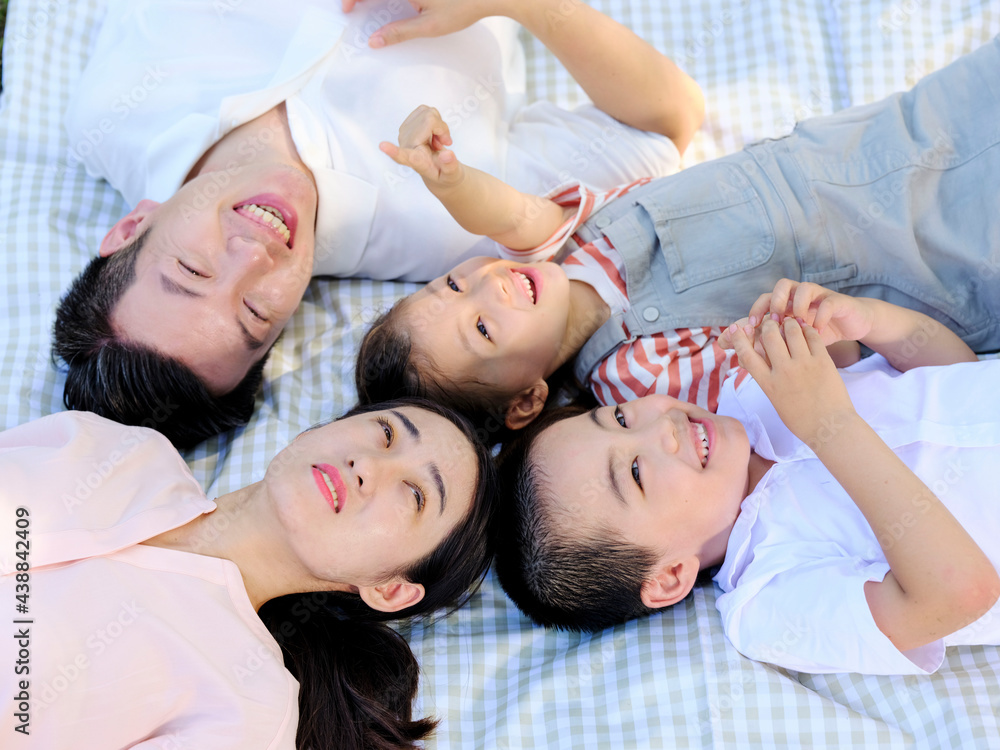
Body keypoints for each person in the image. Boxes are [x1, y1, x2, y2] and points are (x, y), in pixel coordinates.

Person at [53, 0, 704, 448]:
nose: (252, 256)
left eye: (191, 269)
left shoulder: (111, 114)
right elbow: (661, 127)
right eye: (254, 313)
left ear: (130, 227)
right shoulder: (445, 224)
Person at [356, 34, 1000, 436]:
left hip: (891, 138)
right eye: (483, 329)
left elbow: (512, 217)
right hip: (924, 258)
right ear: (527, 400)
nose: (487, 288)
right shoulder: (633, 379)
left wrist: (448, 179)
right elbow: (811, 364)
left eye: (453, 283)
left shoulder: (571, 244)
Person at [491, 278, 1000, 675]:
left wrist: (861, 322)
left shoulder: (752, 393)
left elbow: (956, 375)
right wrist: (829, 425)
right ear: (670, 577)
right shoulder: (767, 602)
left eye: (622, 417)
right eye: (637, 472)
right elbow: (960, 594)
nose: (660, 426)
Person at [1, 398, 498, 748]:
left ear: (389, 590)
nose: (367, 464)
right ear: (320, 427)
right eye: (386, 432)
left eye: (413, 495)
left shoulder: (249, 711)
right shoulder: (118, 449)